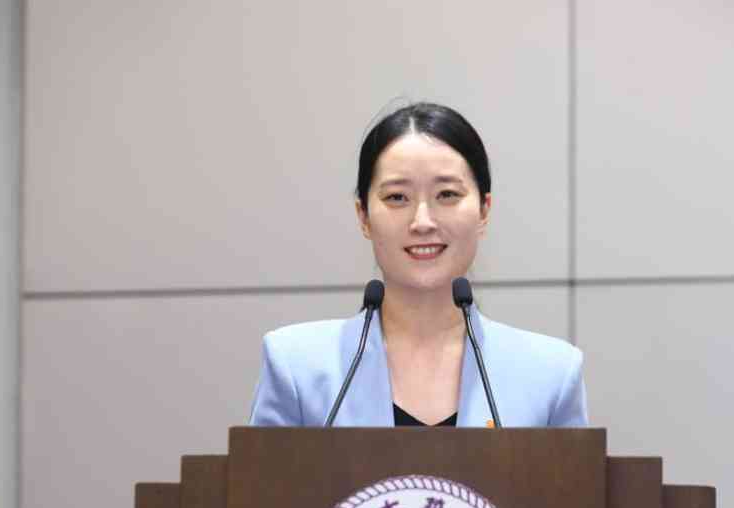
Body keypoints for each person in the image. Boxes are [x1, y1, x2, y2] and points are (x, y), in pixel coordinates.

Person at [250, 102, 587, 427]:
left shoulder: (550, 376)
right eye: (397, 197)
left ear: (484, 210)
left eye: (447, 195)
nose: (422, 221)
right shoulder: (296, 368)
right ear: (363, 216)